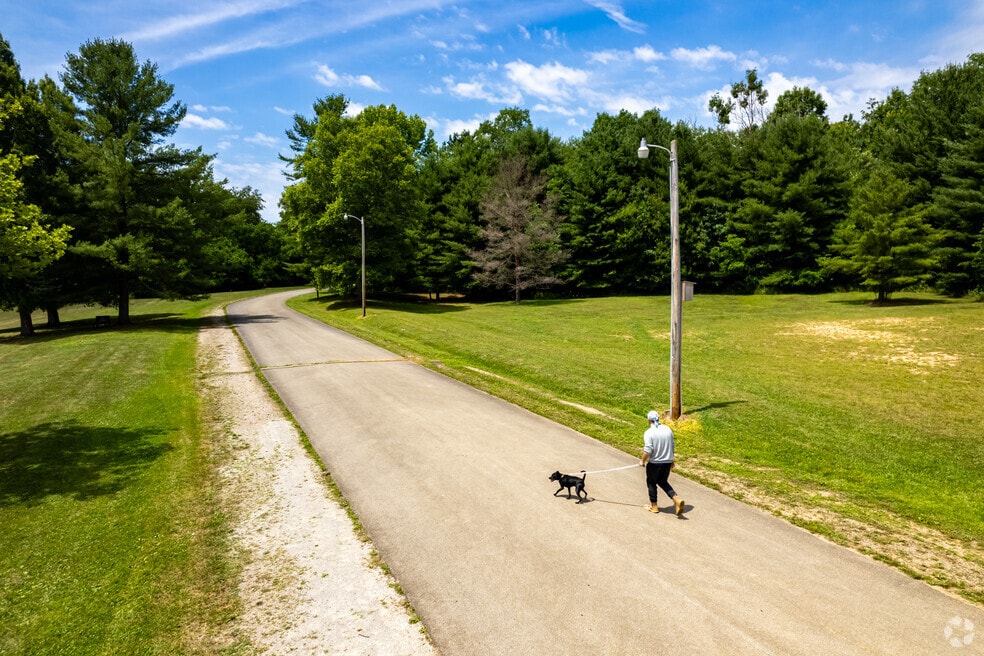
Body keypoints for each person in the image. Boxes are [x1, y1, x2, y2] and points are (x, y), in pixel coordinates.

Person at [640, 410, 684, 515]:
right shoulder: (667, 429)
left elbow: (648, 450)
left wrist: (642, 461)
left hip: (655, 463)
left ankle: (654, 506)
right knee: (663, 481)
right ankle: (676, 499)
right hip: (667, 462)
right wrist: (671, 459)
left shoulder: (649, 432)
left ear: (648, 420)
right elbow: (672, 445)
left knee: (651, 483)